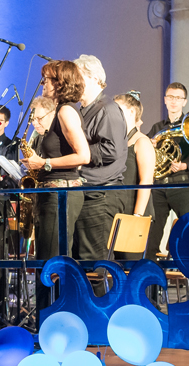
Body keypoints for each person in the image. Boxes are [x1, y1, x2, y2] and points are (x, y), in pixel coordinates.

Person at [21, 62, 90, 264]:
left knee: (51, 261)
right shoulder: (61, 110)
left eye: (47, 79)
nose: (43, 83)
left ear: (61, 83)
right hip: (52, 194)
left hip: (62, 194)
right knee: (46, 259)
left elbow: (83, 156)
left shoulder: (65, 112)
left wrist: (43, 163)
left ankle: (54, 297)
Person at [145, 82, 189, 261]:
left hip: (183, 186)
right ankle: (151, 285)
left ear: (184, 102)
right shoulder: (157, 128)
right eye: (171, 97)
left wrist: (185, 166)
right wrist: (149, 146)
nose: (174, 101)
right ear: (165, 100)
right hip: (159, 187)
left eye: (178, 98)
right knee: (151, 238)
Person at [71, 55, 125, 261]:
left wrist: (77, 153)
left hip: (100, 196)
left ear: (94, 78)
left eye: (78, 77)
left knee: (94, 264)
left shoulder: (108, 109)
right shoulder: (85, 110)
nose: (73, 83)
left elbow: (112, 150)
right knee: (82, 264)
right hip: (88, 193)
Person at [112, 92, 156, 260]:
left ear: (131, 112)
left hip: (134, 214)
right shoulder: (118, 140)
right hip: (119, 212)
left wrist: (137, 217)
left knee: (131, 265)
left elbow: (146, 181)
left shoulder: (141, 141)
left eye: (118, 109)